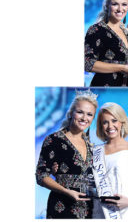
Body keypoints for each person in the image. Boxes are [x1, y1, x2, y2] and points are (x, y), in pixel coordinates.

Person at [36, 89, 98, 218]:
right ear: (71, 113)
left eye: (89, 114)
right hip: (62, 207)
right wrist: (67, 191)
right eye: (80, 112)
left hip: (90, 209)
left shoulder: (91, 145)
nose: (84, 118)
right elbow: (41, 176)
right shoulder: (53, 140)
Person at [92, 102, 128, 219]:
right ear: (100, 126)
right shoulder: (95, 151)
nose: (110, 126)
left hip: (124, 210)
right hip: (99, 209)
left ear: (122, 122)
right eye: (105, 122)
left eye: (114, 121)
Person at [84, 0, 128, 86]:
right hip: (105, 85)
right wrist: (121, 67)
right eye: (115, 4)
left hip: (125, 87)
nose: (120, 9)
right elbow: (87, 63)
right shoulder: (97, 30)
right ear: (106, 6)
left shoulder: (126, 32)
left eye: (124, 4)